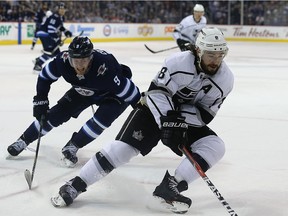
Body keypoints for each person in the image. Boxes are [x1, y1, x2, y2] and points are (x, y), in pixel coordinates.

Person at [50, 27, 234, 214]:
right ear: (198, 51)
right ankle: (75, 185)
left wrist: (179, 123)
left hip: (185, 120)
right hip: (153, 110)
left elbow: (206, 114)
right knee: (122, 149)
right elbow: (157, 92)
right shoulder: (177, 63)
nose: (216, 61)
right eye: (210, 55)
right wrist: (167, 121)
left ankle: (171, 187)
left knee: (215, 145)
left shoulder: (225, 80)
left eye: (220, 55)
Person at [7, 36, 141, 168]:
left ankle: (73, 145)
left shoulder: (105, 69)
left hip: (112, 94)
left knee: (101, 120)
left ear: (91, 58)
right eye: (75, 61)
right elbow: (44, 77)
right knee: (56, 114)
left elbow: (132, 92)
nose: (79, 65)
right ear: (69, 58)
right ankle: (23, 140)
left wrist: (143, 113)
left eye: (84, 60)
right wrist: (40, 99)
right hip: (84, 90)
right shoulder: (62, 61)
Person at [33, 2, 72, 73]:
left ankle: (39, 59)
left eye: (63, 9)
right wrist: (57, 40)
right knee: (50, 51)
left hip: (46, 34)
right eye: (61, 9)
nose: (62, 10)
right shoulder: (55, 17)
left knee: (56, 52)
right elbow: (51, 30)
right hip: (44, 34)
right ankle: (37, 65)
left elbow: (59, 27)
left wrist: (66, 32)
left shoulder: (60, 17)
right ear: (58, 9)